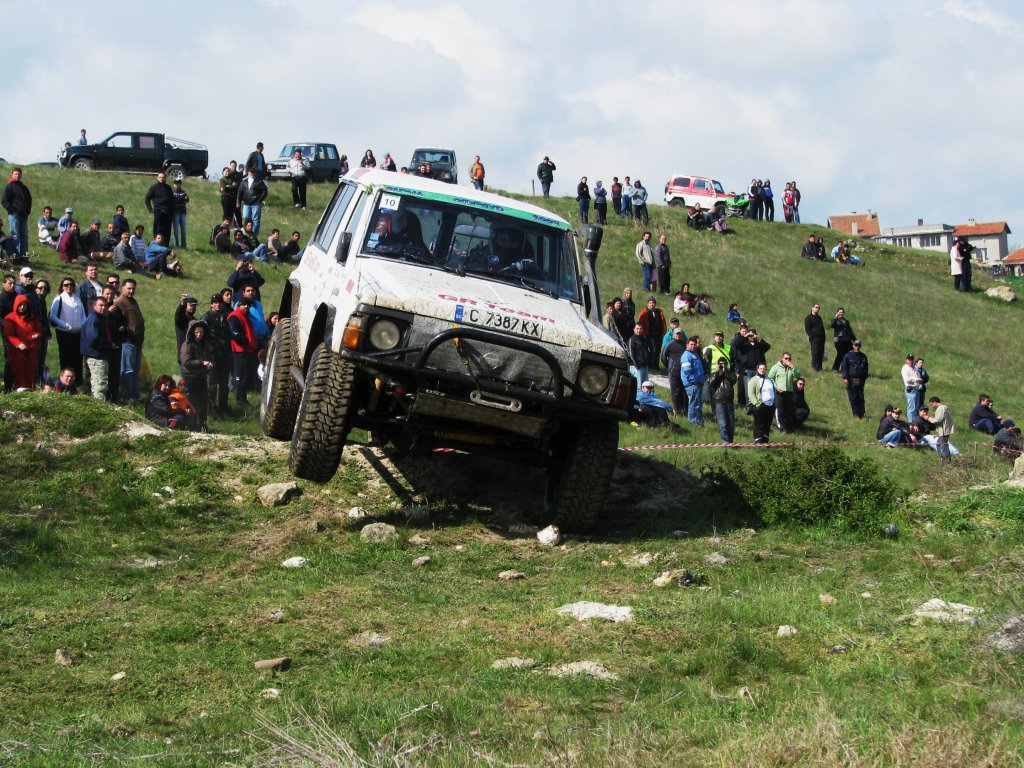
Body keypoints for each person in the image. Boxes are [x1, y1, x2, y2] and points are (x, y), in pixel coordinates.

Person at [49, 276, 85, 384]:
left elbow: (83, 315)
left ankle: (78, 382)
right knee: (66, 358)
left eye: (71, 285)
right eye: (66, 285)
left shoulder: (78, 299)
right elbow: (53, 316)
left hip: (78, 333)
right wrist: (64, 325)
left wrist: (82, 324)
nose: (69, 287)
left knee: (78, 358)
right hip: (64, 333)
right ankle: (65, 383)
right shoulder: (59, 299)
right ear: (62, 287)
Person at [80, 295, 116, 399]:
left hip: (98, 355)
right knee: (99, 385)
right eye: (100, 305)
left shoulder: (99, 318)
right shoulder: (94, 319)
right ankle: (99, 408)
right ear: (94, 306)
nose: (103, 308)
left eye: (105, 305)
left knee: (99, 383)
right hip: (96, 356)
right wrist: (109, 344)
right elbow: (93, 338)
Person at [114, 278, 145, 402]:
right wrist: (126, 330)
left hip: (137, 341)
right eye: (129, 288)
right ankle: (127, 395)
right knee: (128, 369)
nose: (131, 291)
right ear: (122, 288)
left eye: (133, 288)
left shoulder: (133, 301)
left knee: (135, 369)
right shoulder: (120, 302)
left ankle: (134, 394)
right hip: (128, 341)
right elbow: (117, 322)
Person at [180, 319, 213, 430]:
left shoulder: (204, 344)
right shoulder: (187, 344)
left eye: (201, 333)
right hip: (190, 377)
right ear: (192, 332)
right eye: (196, 333)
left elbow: (208, 357)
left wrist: (209, 364)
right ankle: (191, 425)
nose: (199, 335)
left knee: (203, 403)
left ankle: (202, 424)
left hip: (201, 377)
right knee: (192, 403)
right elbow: (186, 362)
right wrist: (201, 362)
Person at [201, 293, 231, 416]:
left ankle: (223, 407)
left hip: (224, 354)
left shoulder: (225, 316)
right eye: (215, 302)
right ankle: (211, 408)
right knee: (212, 383)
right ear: (211, 304)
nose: (217, 304)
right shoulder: (206, 317)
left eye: (219, 302)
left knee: (224, 384)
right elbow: (203, 336)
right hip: (212, 355)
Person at [3, 294, 41, 389]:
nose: (23, 307)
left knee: (30, 373)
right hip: (17, 352)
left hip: (31, 350)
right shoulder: (10, 318)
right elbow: (9, 335)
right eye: (20, 305)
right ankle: (18, 392)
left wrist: (36, 335)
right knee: (18, 373)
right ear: (16, 305)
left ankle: (30, 390)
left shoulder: (31, 317)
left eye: (24, 305)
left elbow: (39, 329)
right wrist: (18, 343)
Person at [227, 296, 260, 407]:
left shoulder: (245, 316)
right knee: (240, 376)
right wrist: (245, 341)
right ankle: (240, 400)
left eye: (248, 305)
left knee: (245, 376)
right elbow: (234, 333)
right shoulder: (234, 316)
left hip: (246, 350)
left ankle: (243, 399)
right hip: (239, 351)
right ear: (239, 305)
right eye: (244, 304)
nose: (246, 306)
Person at [2, 167, 32, 264]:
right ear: (12, 175)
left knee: (24, 237)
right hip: (14, 214)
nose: (17, 176)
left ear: (21, 175)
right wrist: (11, 209)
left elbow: (29, 199)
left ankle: (24, 258)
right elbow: (4, 201)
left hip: (24, 215)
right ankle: (15, 258)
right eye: (15, 174)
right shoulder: (9, 186)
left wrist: (28, 211)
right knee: (15, 236)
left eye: (19, 174)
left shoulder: (23, 187)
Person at [768, 352, 801, 433]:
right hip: (779, 392)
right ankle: (781, 427)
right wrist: (776, 387)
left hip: (789, 392)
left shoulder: (791, 368)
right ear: (782, 358)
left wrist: (792, 367)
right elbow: (770, 378)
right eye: (786, 358)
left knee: (789, 410)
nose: (787, 360)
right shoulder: (776, 367)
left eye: (789, 359)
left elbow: (798, 376)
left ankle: (789, 427)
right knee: (780, 409)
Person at [709, 357, 737, 443]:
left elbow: (733, 380)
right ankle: (725, 442)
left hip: (729, 402)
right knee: (723, 424)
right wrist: (718, 373)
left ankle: (730, 442)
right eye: (721, 364)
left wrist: (725, 372)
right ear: (718, 364)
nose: (722, 365)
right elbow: (712, 384)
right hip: (719, 401)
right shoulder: (714, 374)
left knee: (731, 424)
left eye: (724, 363)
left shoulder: (730, 373)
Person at [679, 335, 706, 426]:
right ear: (687, 344)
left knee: (698, 404)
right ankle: (693, 422)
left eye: (694, 344)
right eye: (691, 344)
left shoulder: (695, 354)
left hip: (699, 383)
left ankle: (699, 422)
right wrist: (694, 381)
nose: (693, 346)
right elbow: (688, 372)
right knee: (694, 404)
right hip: (692, 384)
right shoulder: (686, 355)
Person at [747, 362, 776, 443]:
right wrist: (757, 404)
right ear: (757, 369)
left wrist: (774, 403)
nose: (762, 370)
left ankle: (765, 441)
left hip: (770, 406)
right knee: (759, 424)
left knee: (767, 425)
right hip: (760, 405)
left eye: (764, 368)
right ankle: (758, 442)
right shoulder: (753, 380)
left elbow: (773, 391)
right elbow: (751, 393)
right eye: (761, 368)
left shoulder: (769, 380)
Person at [841, 339, 869, 419]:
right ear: (853, 346)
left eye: (858, 345)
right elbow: (844, 367)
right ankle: (856, 414)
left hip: (860, 380)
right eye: (856, 345)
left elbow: (866, 369)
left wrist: (864, 377)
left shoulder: (863, 356)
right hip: (850, 379)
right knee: (853, 397)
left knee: (860, 397)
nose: (857, 347)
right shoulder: (848, 356)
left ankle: (862, 413)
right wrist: (845, 378)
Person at [237, 167, 269, 236]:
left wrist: (259, 200)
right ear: (248, 173)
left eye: (253, 172)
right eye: (251, 172)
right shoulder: (244, 182)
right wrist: (238, 202)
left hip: (256, 203)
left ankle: (254, 235)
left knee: (255, 220)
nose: (252, 173)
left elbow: (265, 191)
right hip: (246, 203)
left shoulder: (259, 181)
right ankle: (246, 234)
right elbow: (240, 192)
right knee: (245, 217)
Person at [144, 171, 174, 243]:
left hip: (168, 212)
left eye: (163, 177)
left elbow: (172, 200)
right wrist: (150, 209)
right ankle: (156, 244)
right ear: (157, 178)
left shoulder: (168, 188)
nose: (161, 179)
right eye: (160, 177)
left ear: (165, 178)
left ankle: (166, 245)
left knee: (167, 229)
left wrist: (171, 210)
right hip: (158, 211)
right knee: (157, 229)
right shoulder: (154, 188)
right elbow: (147, 198)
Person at [926, 396, 954, 463]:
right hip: (944, 430)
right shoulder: (945, 407)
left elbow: (938, 420)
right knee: (939, 444)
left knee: (943, 446)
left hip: (943, 431)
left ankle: (946, 460)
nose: (932, 406)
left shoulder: (940, 408)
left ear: (935, 402)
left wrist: (928, 418)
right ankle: (943, 458)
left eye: (932, 404)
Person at [830, 307, 854, 374]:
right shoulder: (835, 320)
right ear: (837, 312)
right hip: (839, 340)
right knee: (840, 353)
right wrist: (835, 317)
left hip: (847, 340)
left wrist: (854, 340)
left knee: (850, 353)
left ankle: (846, 368)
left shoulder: (846, 321)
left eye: (842, 312)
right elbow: (832, 325)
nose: (841, 313)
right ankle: (835, 368)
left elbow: (850, 331)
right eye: (839, 312)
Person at [626, 322, 649, 392]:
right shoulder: (631, 340)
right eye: (637, 329)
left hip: (645, 366)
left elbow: (647, 352)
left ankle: (644, 402)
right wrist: (637, 365)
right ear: (634, 329)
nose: (639, 330)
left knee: (646, 387)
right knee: (638, 388)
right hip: (636, 367)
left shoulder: (644, 339)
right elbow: (630, 354)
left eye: (640, 329)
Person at [804, 303, 825, 371]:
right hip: (814, 338)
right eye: (816, 307)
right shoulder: (808, 318)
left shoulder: (819, 318)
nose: (817, 309)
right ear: (812, 308)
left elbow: (822, 328)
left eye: (818, 308)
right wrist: (812, 336)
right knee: (815, 352)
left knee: (820, 353)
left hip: (821, 338)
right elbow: (807, 329)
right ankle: (814, 368)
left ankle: (819, 368)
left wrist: (824, 337)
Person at [170, 179, 190, 249]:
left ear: (180, 184)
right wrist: (181, 200)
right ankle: (176, 246)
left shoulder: (183, 192)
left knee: (183, 230)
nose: (176, 185)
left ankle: (183, 246)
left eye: (178, 183)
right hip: (175, 212)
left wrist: (180, 199)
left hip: (183, 212)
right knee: (176, 230)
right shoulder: (171, 192)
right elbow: (173, 200)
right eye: (175, 183)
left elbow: (187, 200)